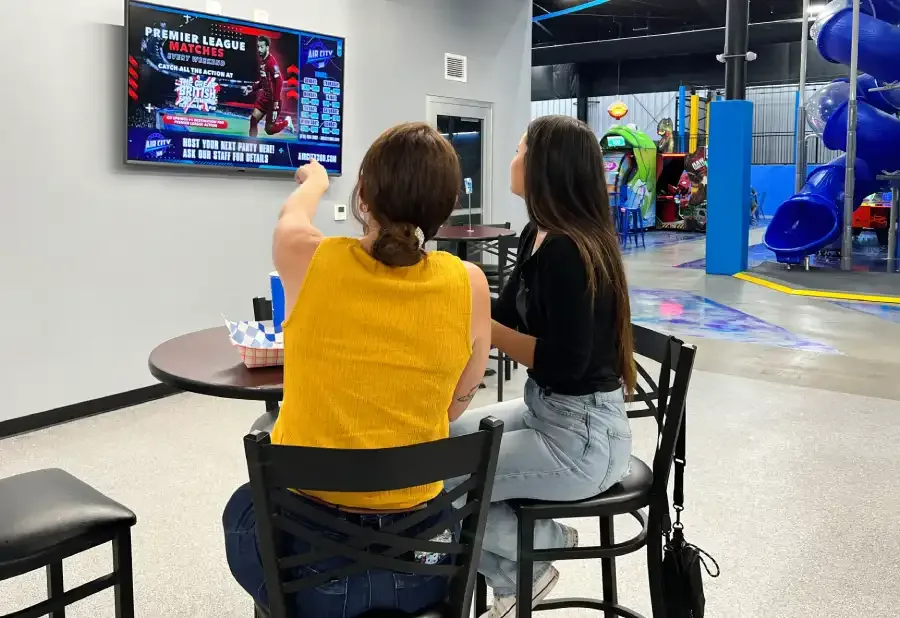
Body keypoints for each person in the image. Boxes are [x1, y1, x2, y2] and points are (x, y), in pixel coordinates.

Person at [223, 122, 491, 617]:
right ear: (447, 208)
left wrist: (317, 182)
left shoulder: (311, 259)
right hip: (427, 571)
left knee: (244, 504)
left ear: (363, 195)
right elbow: (458, 402)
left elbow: (291, 217)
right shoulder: (469, 283)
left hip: (311, 577)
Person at [450, 115, 637, 618]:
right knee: (437, 444)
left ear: (543, 167)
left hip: (581, 437)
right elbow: (506, 314)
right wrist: (446, 300)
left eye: (518, 150)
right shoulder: (539, 234)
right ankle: (522, 575)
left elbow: (563, 362)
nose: (511, 160)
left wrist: (482, 329)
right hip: (544, 413)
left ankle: (547, 546)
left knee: (439, 480)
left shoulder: (570, 252)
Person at [242, 36, 294, 137]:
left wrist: (275, 101)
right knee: (253, 119)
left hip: (273, 101)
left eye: (262, 47)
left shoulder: (271, 62)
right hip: (264, 99)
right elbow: (263, 81)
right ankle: (252, 145)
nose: (259, 50)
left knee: (269, 130)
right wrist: (251, 88)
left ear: (267, 47)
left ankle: (287, 122)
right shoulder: (263, 62)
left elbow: (279, 81)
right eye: (258, 47)